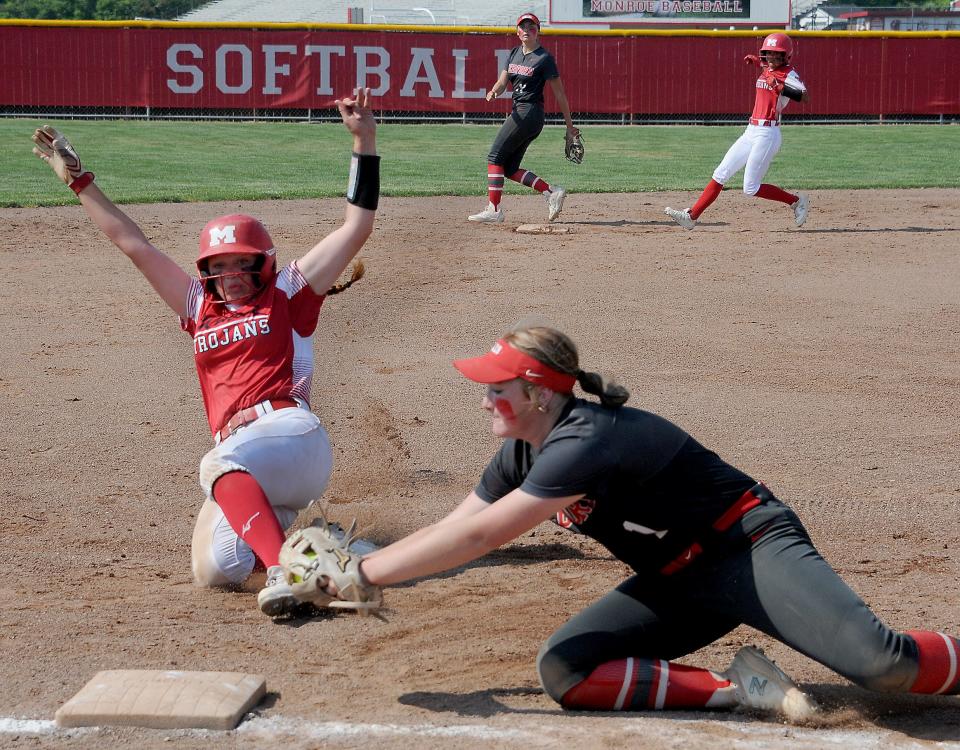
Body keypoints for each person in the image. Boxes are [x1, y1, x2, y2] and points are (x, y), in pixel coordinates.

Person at [334, 324, 959, 718]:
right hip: (680, 582)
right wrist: (344, 574)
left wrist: (366, 572)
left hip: (749, 547)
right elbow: (455, 525)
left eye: (499, 387)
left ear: (541, 393)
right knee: (566, 671)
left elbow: (483, 535)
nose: (485, 398)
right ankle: (744, 688)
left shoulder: (586, 437)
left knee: (884, 667)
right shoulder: (520, 451)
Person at [31, 88, 381, 618]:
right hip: (252, 462)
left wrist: (364, 140)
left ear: (263, 264)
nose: (231, 276)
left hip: (290, 437)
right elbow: (135, 245)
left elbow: (356, 225)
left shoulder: (287, 292)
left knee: (218, 461)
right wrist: (80, 182)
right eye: (219, 267)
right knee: (216, 570)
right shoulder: (198, 306)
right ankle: (319, 545)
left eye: (241, 264)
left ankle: (283, 570)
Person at [666, 33, 811, 231]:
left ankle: (796, 201)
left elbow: (804, 97)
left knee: (750, 187)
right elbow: (769, 71)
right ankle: (691, 217)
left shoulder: (789, 74)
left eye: (778, 54)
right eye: (769, 54)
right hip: (751, 130)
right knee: (721, 173)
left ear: (787, 56)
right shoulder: (768, 68)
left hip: (767, 134)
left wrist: (780, 87)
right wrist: (758, 64)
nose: (772, 58)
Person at [468, 12, 580, 225]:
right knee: (508, 168)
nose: (527, 30)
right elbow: (502, 83)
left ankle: (494, 209)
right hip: (521, 113)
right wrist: (493, 91)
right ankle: (551, 192)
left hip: (529, 113)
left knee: (494, 156)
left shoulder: (544, 59)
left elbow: (560, 94)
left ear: (538, 32)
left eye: (532, 27)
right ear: (517, 31)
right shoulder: (513, 53)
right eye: (523, 27)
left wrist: (570, 127)